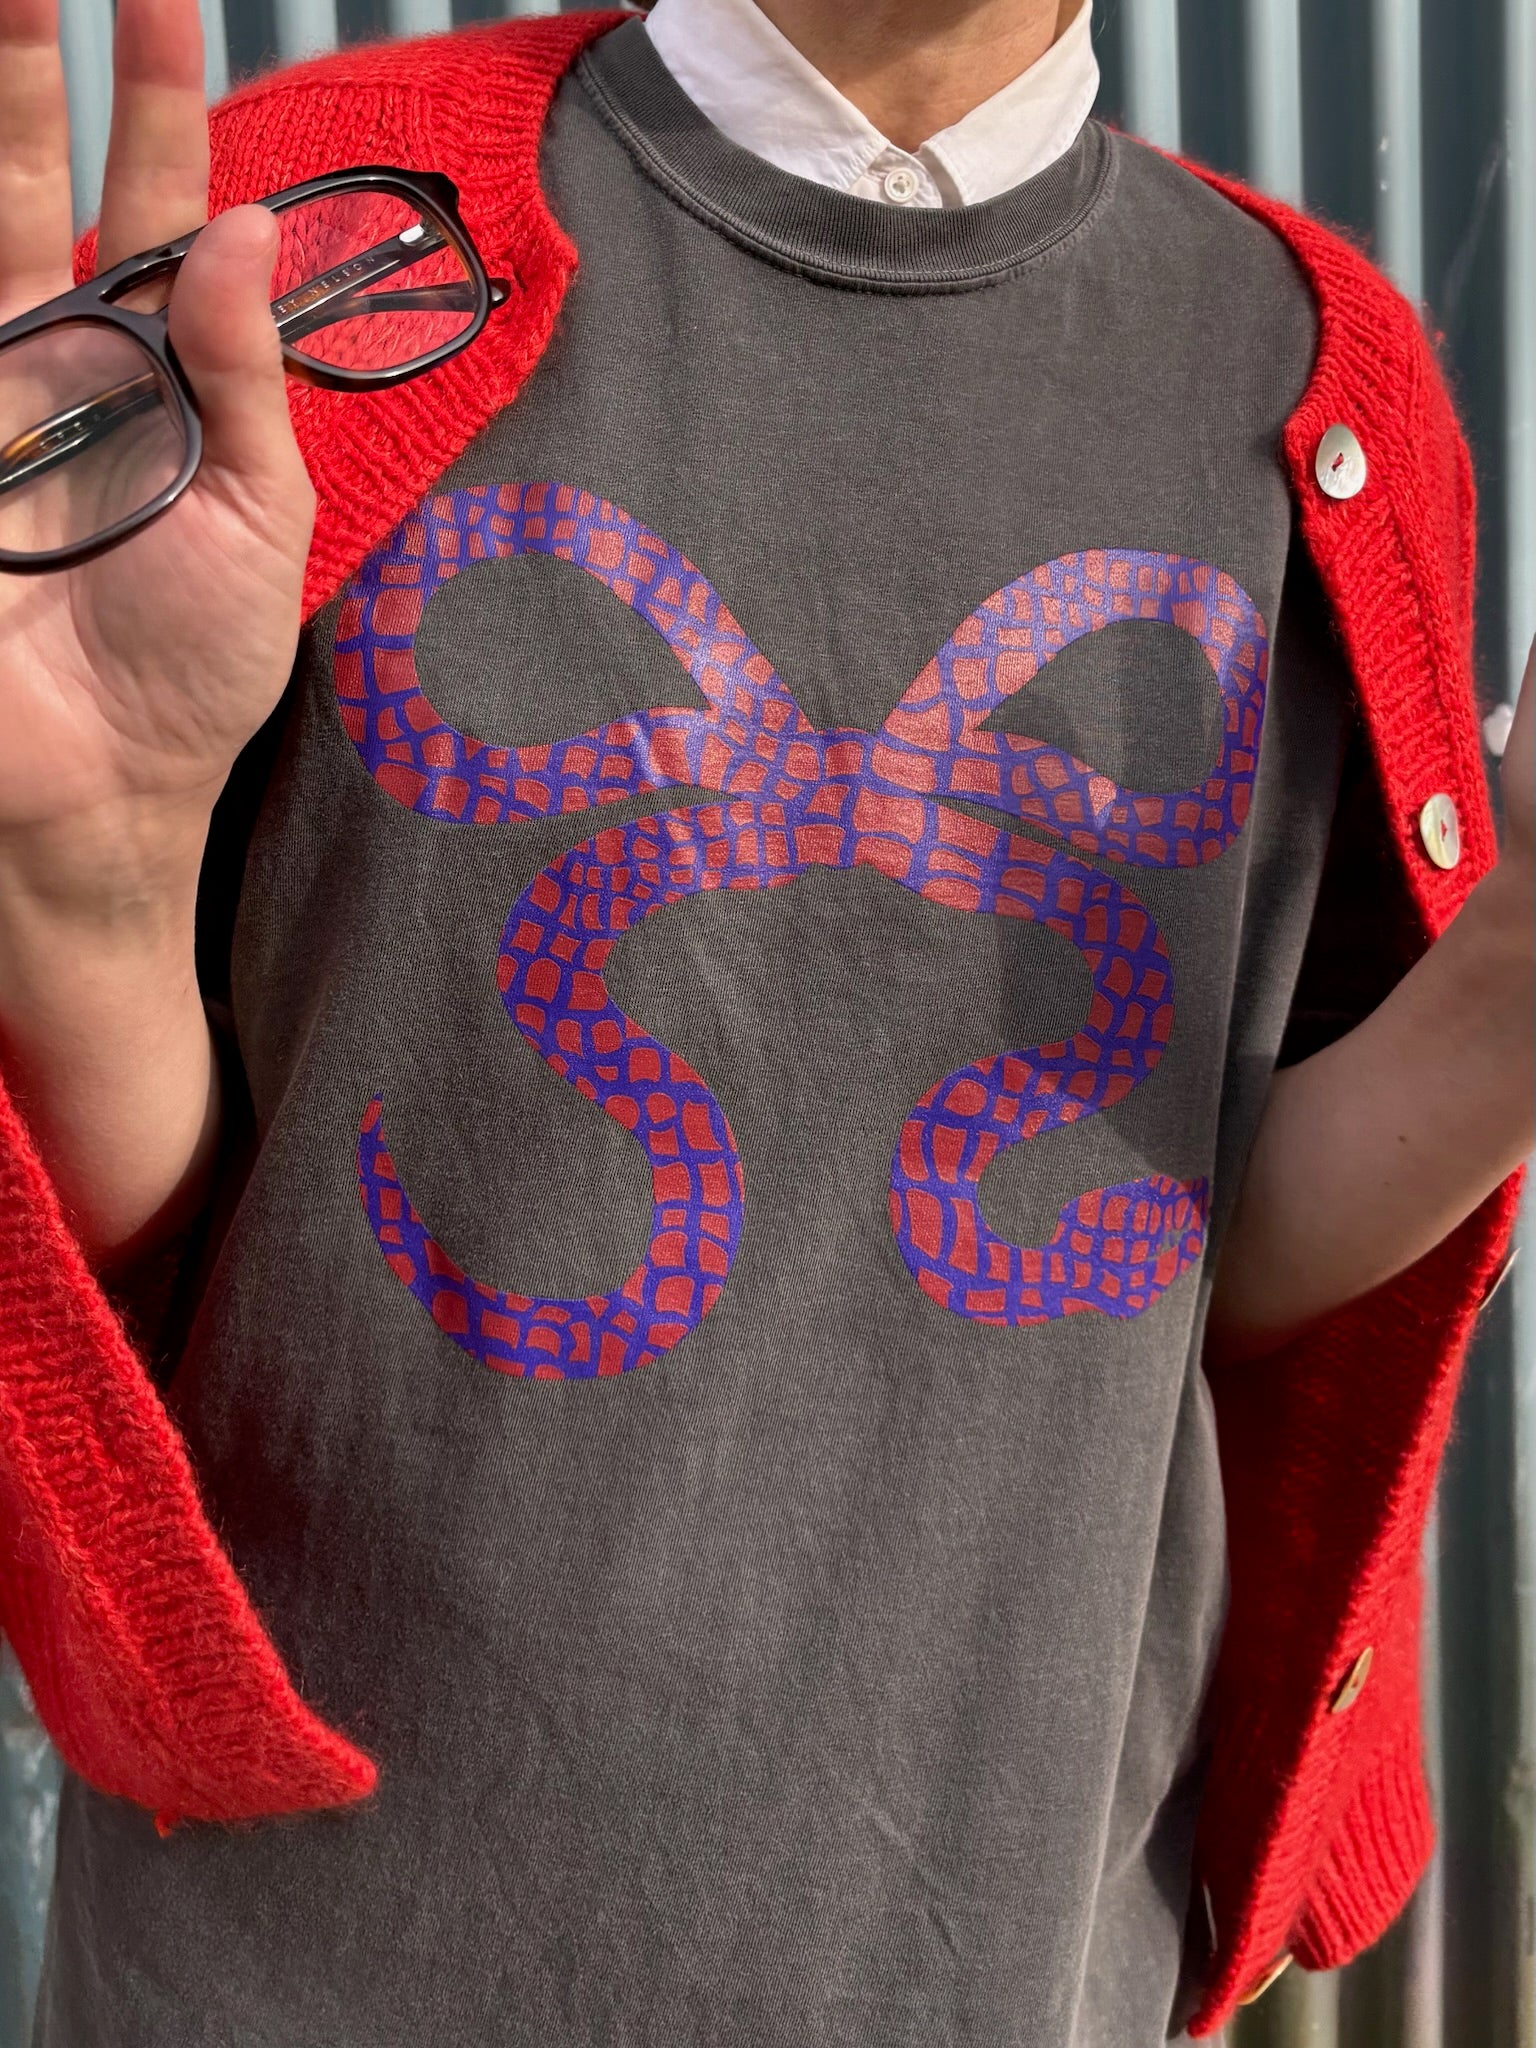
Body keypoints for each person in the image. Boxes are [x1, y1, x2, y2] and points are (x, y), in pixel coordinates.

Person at [0, 0, 1529, 2039]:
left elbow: (1188, 1254)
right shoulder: (309, 253)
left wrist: (1516, 986)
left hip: (1006, 1960)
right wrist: (81, 894)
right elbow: (133, 1256)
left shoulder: (1311, 381)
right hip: (304, 1976)